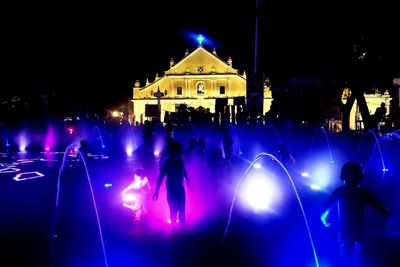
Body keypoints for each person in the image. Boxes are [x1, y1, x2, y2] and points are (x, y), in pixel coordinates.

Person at [320, 161, 390, 267]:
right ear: (359, 176)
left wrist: (324, 219)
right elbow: (380, 208)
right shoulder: (364, 193)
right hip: (358, 228)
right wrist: (390, 216)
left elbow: (326, 207)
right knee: (357, 255)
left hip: (345, 229)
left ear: (343, 176)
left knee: (347, 255)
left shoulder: (339, 191)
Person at [153, 140, 189, 228]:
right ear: (173, 152)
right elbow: (160, 178)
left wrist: (190, 184)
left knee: (182, 211)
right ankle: (174, 232)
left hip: (180, 190)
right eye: (179, 150)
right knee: (173, 211)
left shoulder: (181, 162)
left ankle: (183, 231)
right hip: (172, 191)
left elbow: (185, 173)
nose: (181, 152)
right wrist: (156, 192)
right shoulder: (167, 164)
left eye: (181, 150)